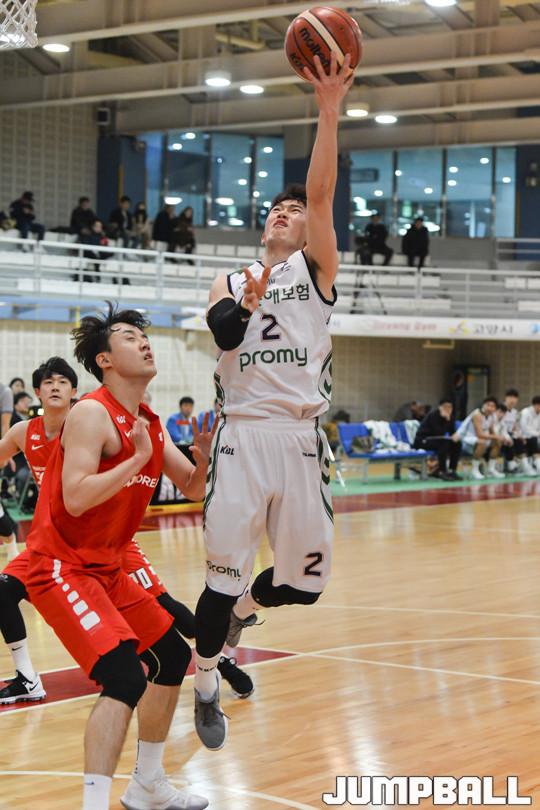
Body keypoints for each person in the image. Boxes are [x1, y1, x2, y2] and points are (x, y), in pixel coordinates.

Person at [195, 50, 353, 751]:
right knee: (218, 578)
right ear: (263, 227)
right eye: (276, 210)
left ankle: (242, 614)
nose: (286, 214)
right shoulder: (229, 279)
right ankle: (205, 684)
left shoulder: (317, 270)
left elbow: (321, 195)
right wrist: (247, 301)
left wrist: (328, 109)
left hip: (298, 439)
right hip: (242, 436)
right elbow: (225, 333)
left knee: (306, 586)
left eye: (294, 211)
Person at [25, 308, 213, 810]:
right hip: (60, 566)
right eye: (130, 337)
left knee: (172, 656)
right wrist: (133, 459)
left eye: (144, 336)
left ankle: (147, 784)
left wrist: (204, 459)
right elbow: (76, 497)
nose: (144, 343)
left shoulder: (149, 422)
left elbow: (192, 488)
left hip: (106, 569)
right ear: (105, 360)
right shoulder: (92, 413)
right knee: (125, 676)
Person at [0, 357, 252, 710]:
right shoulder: (24, 432)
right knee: (3, 590)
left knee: (164, 608)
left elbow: (191, 485)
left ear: (75, 392)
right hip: (57, 543)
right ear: (36, 392)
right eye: (47, 382)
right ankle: (27, 677)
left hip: (110, 539)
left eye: (62, 381)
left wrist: (200, 462)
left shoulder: (89, 420)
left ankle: (217, 661)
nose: (54, 387)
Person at [454, 396, 503, 480]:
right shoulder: (477, 414)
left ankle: (491, 469)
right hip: (466, 439)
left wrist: (498, 438)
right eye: (488, 405)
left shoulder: (492, 416)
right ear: (483, 405)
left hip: (477, 439)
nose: (490, 408)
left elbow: (492, 431)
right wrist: (496, 436)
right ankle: (474, 470)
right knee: (482, 442)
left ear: (495, 408)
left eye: (493, 406)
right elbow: (479, 434)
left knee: (498, 442)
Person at [413, 399, 462, 480]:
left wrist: (455, 436)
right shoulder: (433, 415)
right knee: (443, 443)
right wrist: (447, 419)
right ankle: (442, 471)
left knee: (457, 443)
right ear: (440, 407)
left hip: (437, 440)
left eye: (450, 407)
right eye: (445, 407)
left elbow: (452, 432)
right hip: (423, 440)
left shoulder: (450, 417)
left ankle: (452, 470)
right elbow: (438, 432)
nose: (448, 409)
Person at [518, 394, 540, 474]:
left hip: (535, 437)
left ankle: (537, 464)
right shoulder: (525, 412)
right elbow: (524, 428)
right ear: (536, 405)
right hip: (523, 436)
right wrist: (537, 434)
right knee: (534, 440)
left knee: (535, 440)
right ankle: (529, 466)